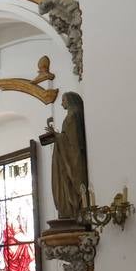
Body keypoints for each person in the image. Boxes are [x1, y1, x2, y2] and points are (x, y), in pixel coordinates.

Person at [50, 91, 89, 222]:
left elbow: (72, 142)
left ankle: (75, 210)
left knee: (72, 185)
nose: (61, 104)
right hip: (72, 156)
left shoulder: (71, 117)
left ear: (70, 101)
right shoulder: (72, 116)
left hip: (74, 157)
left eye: (63, 100)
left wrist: (57, 136)